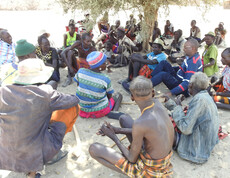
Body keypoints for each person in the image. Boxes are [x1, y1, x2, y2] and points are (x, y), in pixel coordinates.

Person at [0, 58, 80, 178]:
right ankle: (50, 155)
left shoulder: (3, 91)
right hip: (37, 152)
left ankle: (32, 173)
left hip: (6, 153)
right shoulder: (45, 93)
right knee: (72, 107)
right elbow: (74, 100)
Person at [89, 76, 174, 177]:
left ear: (132, 97)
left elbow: (131, 159)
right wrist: (118, 130)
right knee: (124, 118)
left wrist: (113, 137)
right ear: (153, 92)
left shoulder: (140, 123)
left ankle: (133, 174)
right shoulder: (158, 104)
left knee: (93, 149)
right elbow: (149, 131)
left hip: (151, 171)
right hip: (162, 160)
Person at [164, 72, 219, 164]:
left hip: (195, 152)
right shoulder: (205, 96)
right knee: (171, 118)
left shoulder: (199, 100)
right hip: (205, 143)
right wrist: (172, 104)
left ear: (191, 85)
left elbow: (186, 129)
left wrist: (177, 105)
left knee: (163, 125)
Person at [74, 51, 123, 119]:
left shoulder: (81, 72)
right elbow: (109, 96)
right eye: (105, 63)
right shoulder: (105, 78)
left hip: (82, 109)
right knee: (119, 95)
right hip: (99, 111)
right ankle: (114, 112)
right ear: (99, 65)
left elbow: (78, 85)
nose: (107, 64)